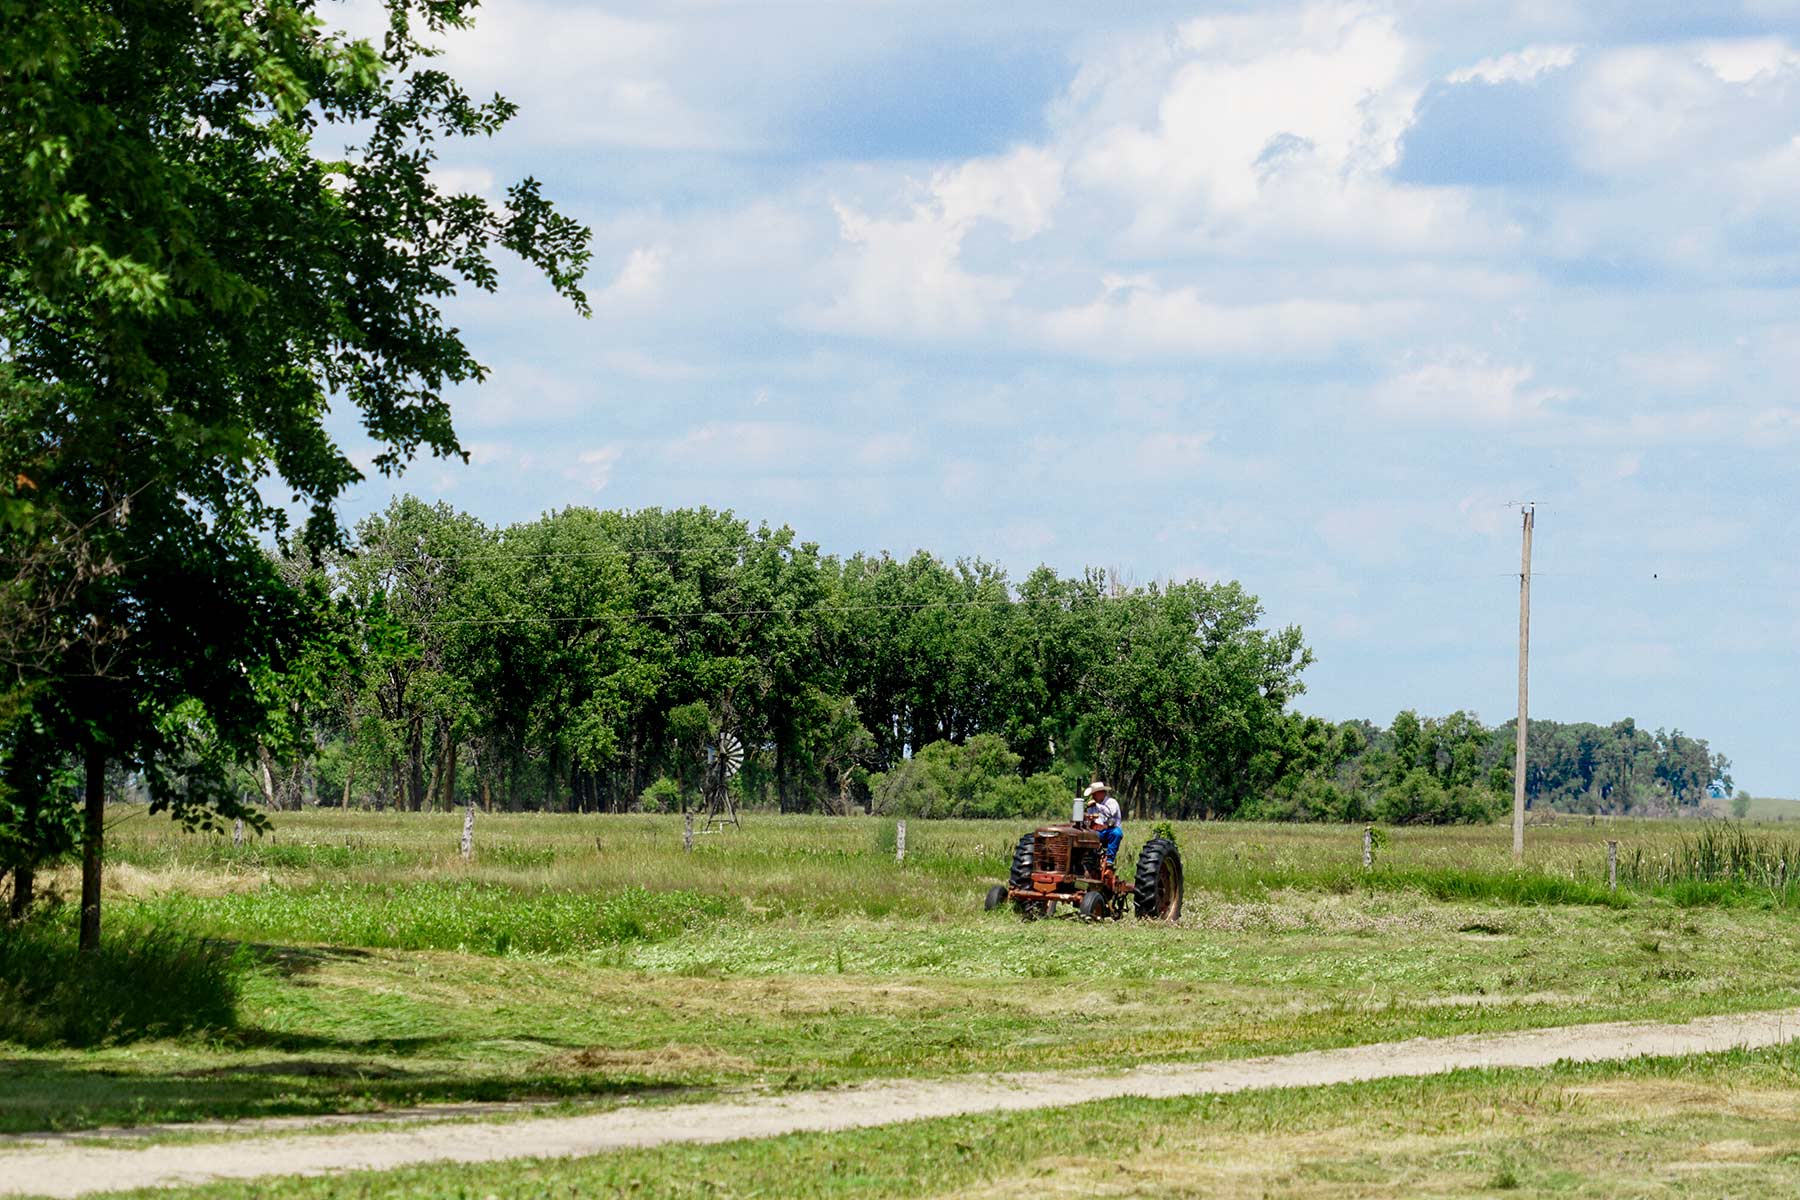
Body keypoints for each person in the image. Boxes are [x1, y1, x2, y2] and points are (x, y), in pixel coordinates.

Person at [1083, 781, 1123, 865]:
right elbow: (1090, 819)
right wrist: (1089, 817)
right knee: (1087, 835)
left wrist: (1097, 805)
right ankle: (1088, 858)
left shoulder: (1112, 802)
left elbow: (1110, 813)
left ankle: (1109, 860)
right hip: (1098, 831)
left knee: (1116, 833)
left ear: (1102, 793)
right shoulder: (1092, 806)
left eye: (1094, 794)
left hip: (1110, 830)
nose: (1093, 796)